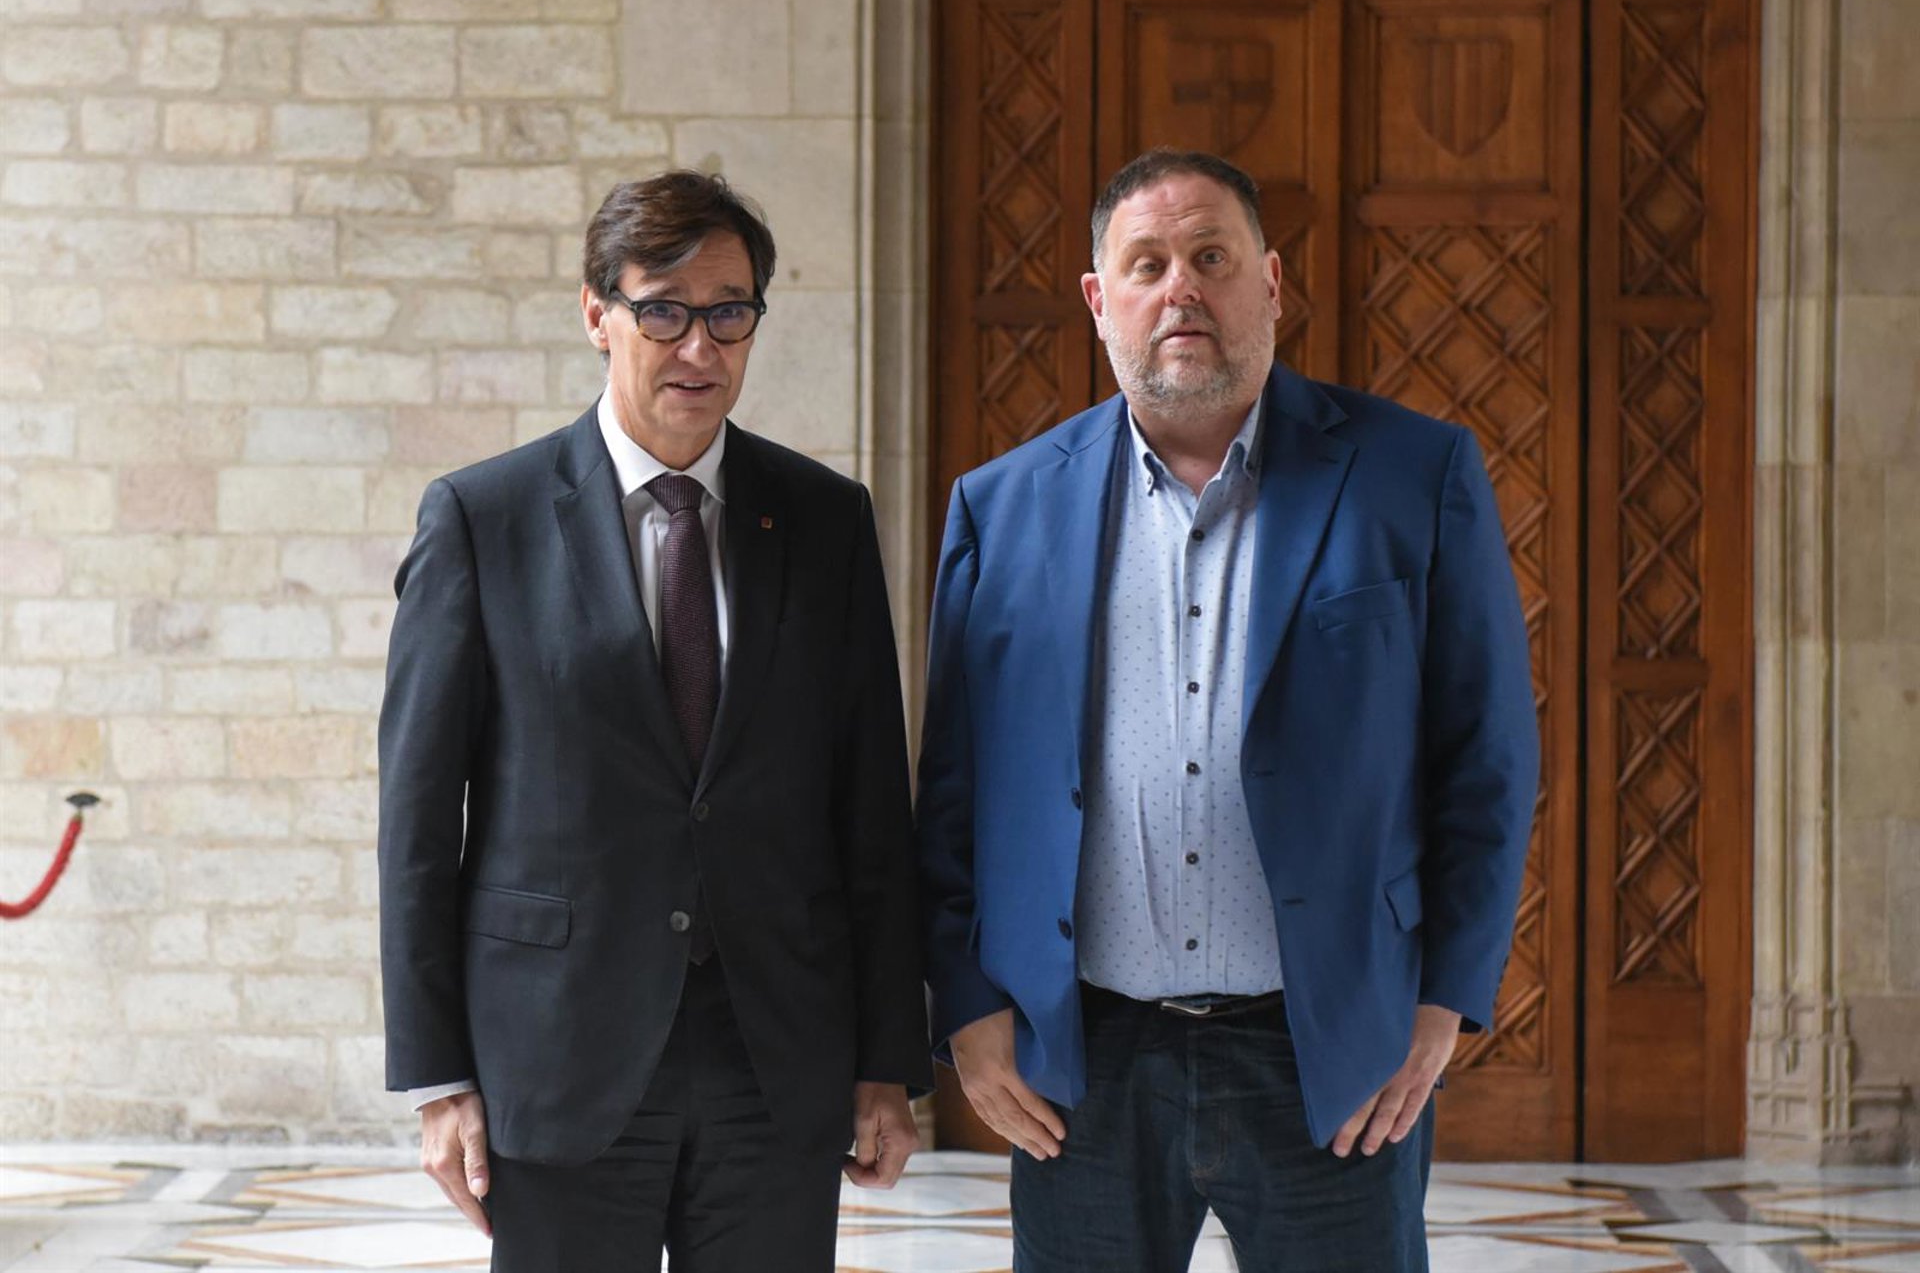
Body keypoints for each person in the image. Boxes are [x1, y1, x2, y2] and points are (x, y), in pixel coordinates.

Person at [917, 148, 1539, 1271]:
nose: (1182, 289)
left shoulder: (1414, 475)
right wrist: (965, 1009)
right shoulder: (1001, 508)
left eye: (1212, 257)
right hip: (1083, 1063)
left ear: (1272, 282)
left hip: (1331, 1053)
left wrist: (1443, 1003)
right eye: (1147, 264)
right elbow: (952, 792)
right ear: (1099, 300)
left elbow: (1485, 760)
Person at [378, 170, 929, 1272]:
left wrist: (886, 1059)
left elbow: (870, 807)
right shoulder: (484, 519)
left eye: (729, 313)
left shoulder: (825, 519)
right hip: (560, 1054)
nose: (699, 347)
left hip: (775, 1059)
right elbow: (419, 822)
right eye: (664, 311)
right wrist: (438, 1077)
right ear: (598, 313)